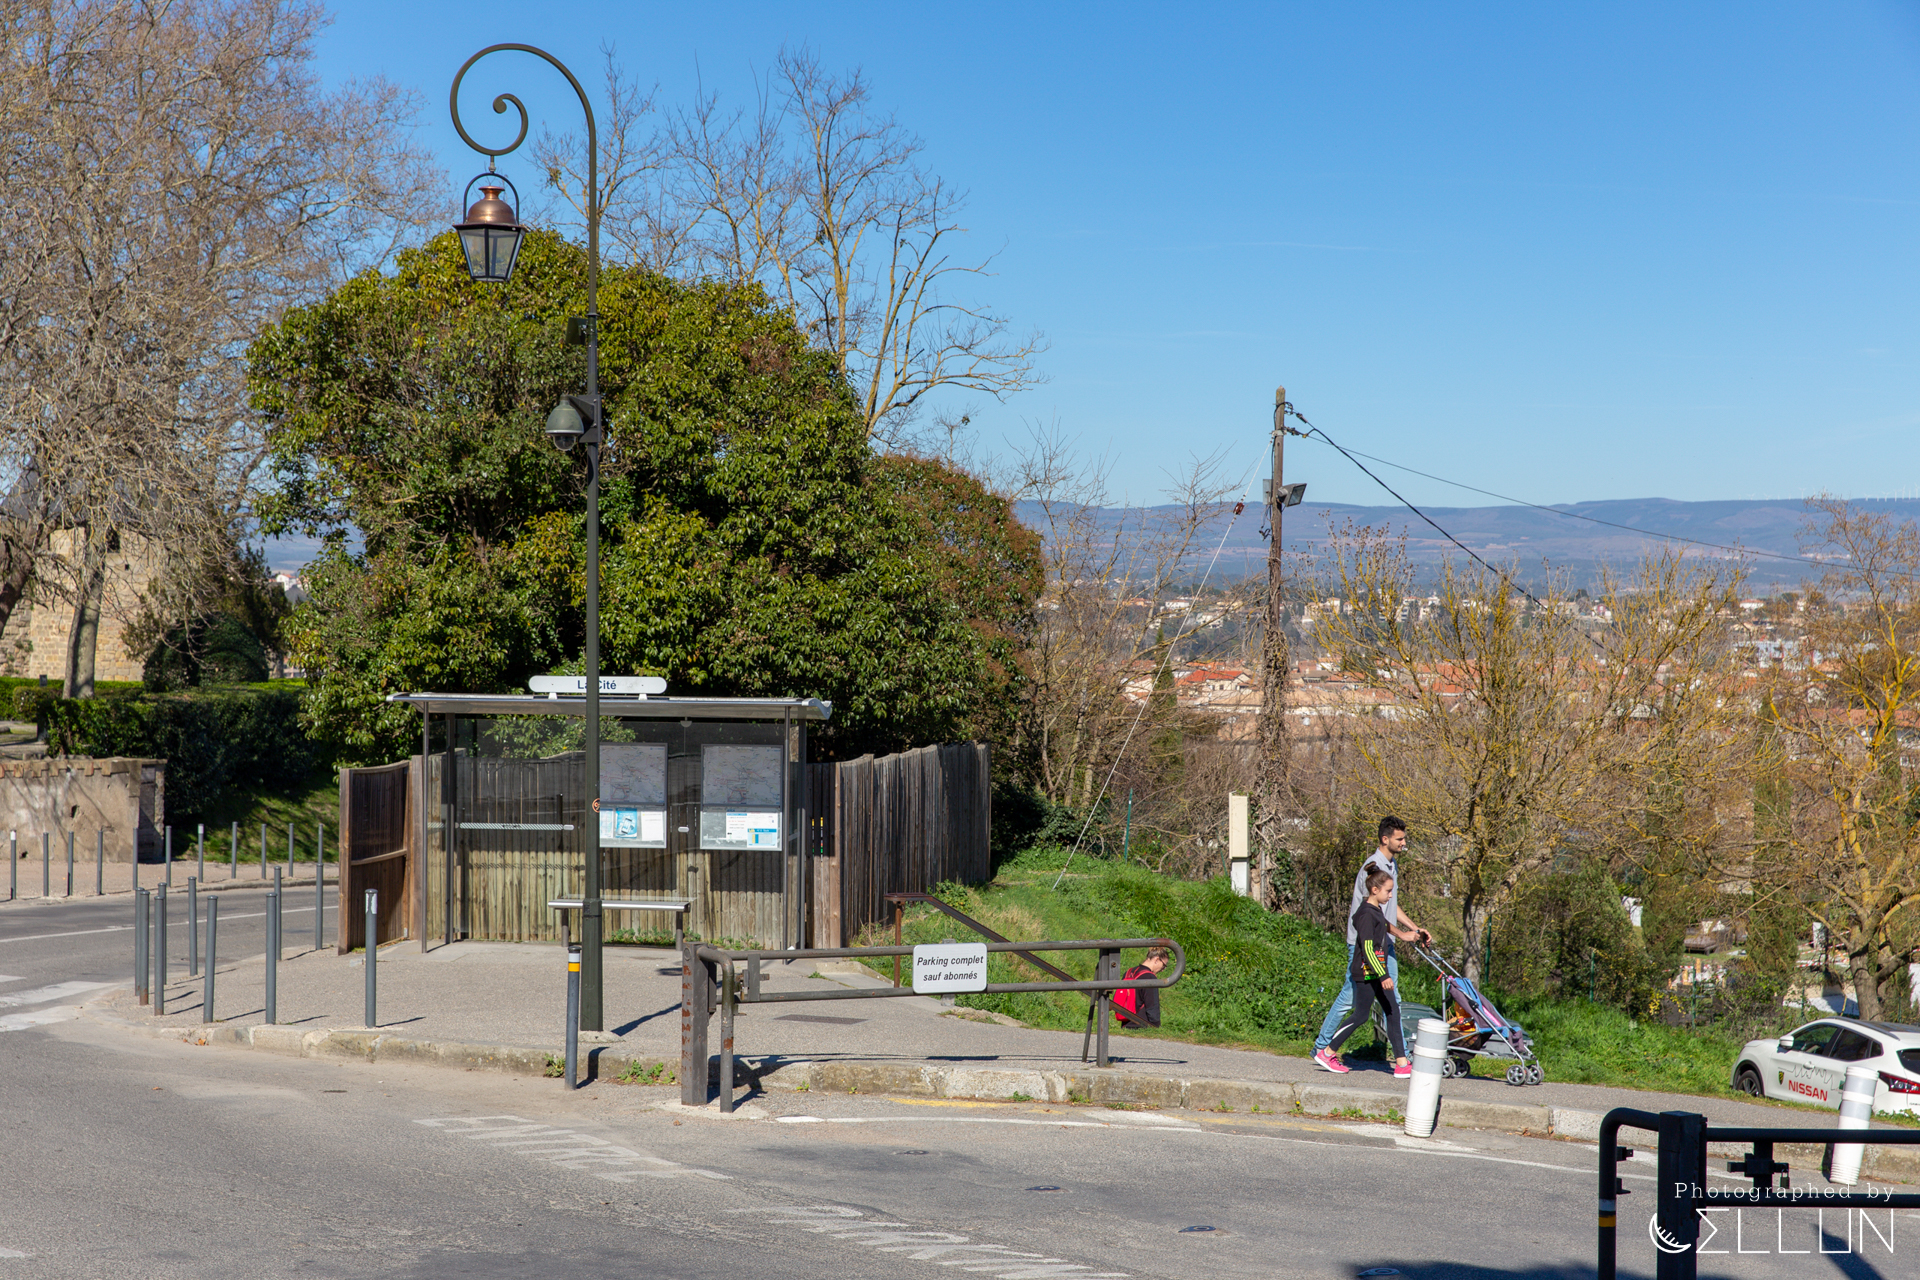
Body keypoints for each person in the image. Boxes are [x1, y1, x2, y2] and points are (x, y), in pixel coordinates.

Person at [1312, 815, 1430, 1072]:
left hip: (1384, 941)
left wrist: (1413, 929)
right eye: (1400, 839)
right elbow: (1372, 915)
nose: (1404, 843)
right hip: (1365, 945)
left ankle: (1402, 1059)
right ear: (1385, 839)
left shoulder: (1391, 865)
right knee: (1352, 1001)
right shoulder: (1374, 868)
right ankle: (1323, 1048)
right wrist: (1401, 935)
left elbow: (1390, 905)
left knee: (1391, 1001)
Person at [1320, 869, 1411, 1077]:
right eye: (1388, 891)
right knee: (1361, 1015)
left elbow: (1384, 925)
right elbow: (1368, 949)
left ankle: (1402, 1063)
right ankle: (1327, 1052)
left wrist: (1405, 935)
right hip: (1367, 973)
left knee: (1392, 1011)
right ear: (1375, 890)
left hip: (1376, 970)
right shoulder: (1366, 915)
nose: (1391, 895)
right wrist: (1384, 975)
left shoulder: (1375, 910)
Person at [1112, 946, 1170, 1030]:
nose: (1162, 970)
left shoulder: (1129, 972)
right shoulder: (1150, 977)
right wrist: (1156, 1027)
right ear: (1157, 960)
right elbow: (1152, 1006)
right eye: (1163, 965)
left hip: (1126, 1024)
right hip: (1142, 1026)